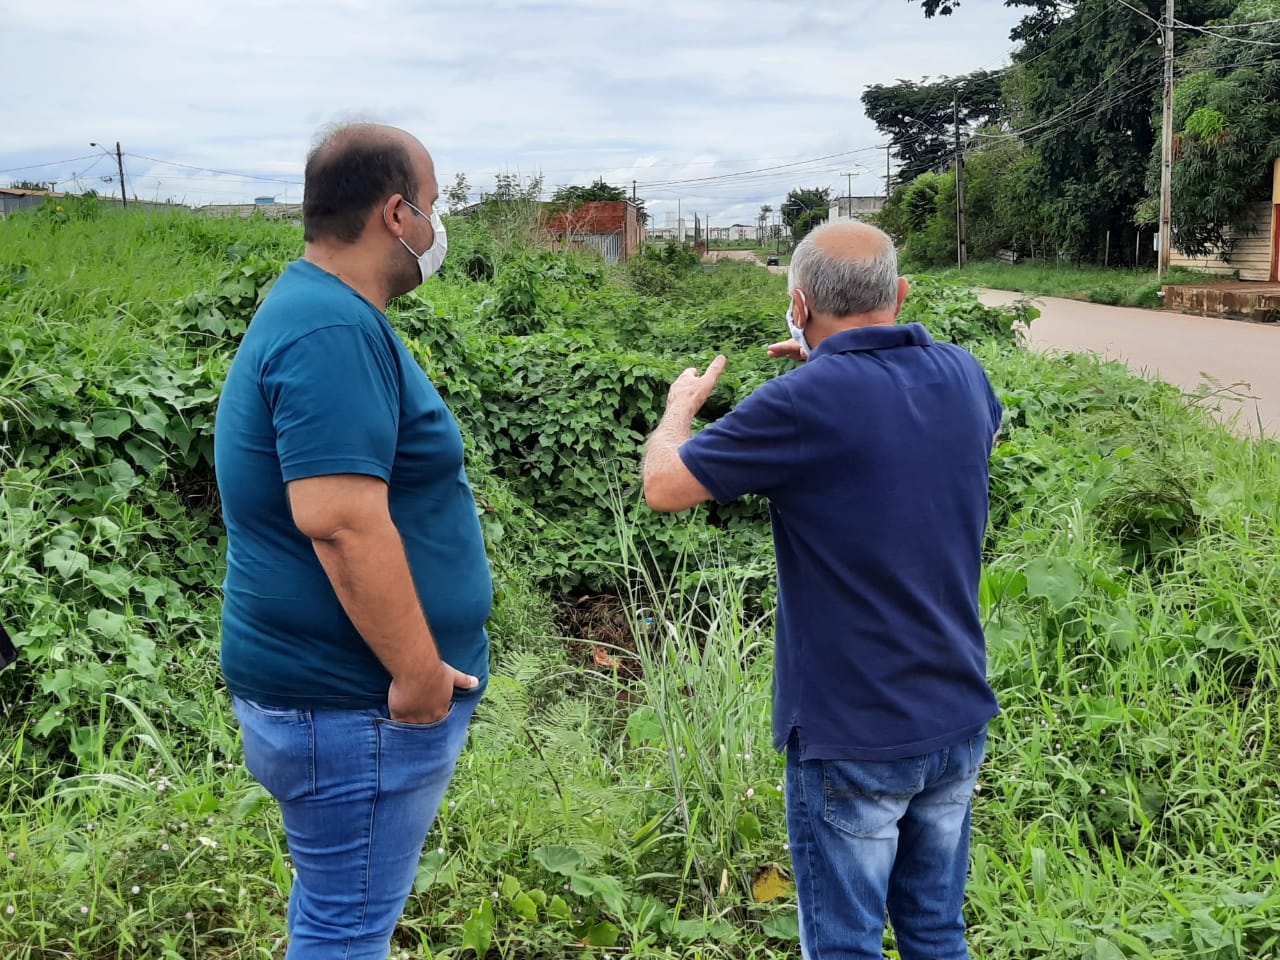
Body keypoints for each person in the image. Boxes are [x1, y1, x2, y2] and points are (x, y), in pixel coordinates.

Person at [642, 221, 1002, 960]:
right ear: (900, 294)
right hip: (956, 718)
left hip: (854, 733)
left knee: (844, 944)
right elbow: (906, 437)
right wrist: (821, 374)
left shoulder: (804, 402)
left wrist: (680, 409)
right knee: (937, 930)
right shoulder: (965, 374)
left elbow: (663, 486)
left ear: (798, 307)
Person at [214, 122, 492, 959]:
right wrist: (415, 676)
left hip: (335, 705)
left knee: (335, 909)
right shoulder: (331, 330)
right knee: (347, 930)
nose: (440, 228)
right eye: (436, 206)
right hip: (355, 704)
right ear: (396, 214)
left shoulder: (317, 308)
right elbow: (339, 519)